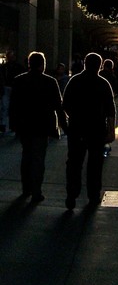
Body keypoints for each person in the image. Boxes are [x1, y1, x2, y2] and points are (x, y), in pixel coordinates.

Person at [9, 51, 67, 202]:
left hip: (25, 124)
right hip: (43, 125)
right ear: (43, 64)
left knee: (26, 155)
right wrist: (64, 125)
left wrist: (14, 123)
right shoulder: (50, 82)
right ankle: (36, 191)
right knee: (38, 159)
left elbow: (13, 105)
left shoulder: (19, 81)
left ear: (29, 63)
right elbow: (58, 106)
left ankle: (26, 188)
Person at [62, 52, 116, 209]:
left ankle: (72, 194)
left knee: (74, 162)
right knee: (95, 164)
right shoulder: (103, 83)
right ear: (99, 65)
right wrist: (110, 130)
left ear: (85, 64)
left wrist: (73, 118)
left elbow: (65, 104)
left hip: (77, 128)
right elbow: (110, 109)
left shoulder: (75, 81)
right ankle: (93, 195)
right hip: (96, 129)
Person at [0, 51, 24, 133]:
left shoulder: (5, 67)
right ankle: (6, 124)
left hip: (10, 87)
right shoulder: (7, 67)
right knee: (6, 106)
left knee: (6, 106)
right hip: (9, 87)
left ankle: (6, 124)